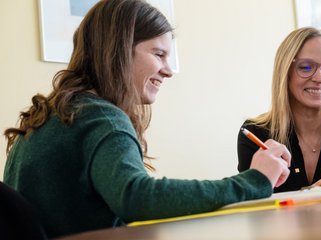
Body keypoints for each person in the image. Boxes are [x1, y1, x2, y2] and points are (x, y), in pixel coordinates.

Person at [2, 0, 291, 238]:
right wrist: (253, 180)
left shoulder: (50, 115)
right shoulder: (101, 119)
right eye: (159, 54)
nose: (169, 70)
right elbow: (137, 198)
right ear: (118, 50)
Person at [237, 27, 321, 193]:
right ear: (285, 72)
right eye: (305, 67)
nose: (319, 78)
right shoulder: (255, 134)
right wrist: (308, 195)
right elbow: (254, 207)